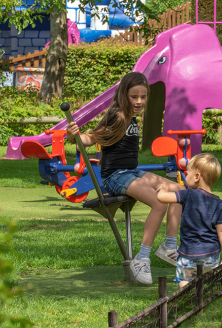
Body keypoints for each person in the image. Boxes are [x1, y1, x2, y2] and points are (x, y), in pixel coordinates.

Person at [66, 72, 185, 285]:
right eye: (134, 97)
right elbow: (90, 139)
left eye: (143, 96)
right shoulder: (117, 116)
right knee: (159, 203)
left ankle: (169, 246)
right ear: (124, 95)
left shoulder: (130, 116)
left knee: (179, 191)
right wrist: (73, 135)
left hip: (132, 171)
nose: (139, 101)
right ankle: (142, 258)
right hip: (115, 176)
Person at [157, 153, 222, 288]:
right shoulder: (219, 204)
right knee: (207, 280)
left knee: (184, 279)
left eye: (187, 173)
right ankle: (204, 287)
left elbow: (162, 198)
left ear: (197, 177)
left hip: (188, 254)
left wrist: (162, 189)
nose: (185, 176)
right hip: (210, 254)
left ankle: (186, 285)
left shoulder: (187, 194)